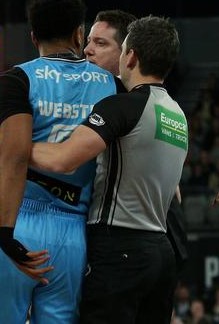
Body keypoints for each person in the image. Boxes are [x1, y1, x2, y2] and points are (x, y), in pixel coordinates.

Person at [0, 0, 115, 323]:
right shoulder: (112, 85)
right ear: (78, 34)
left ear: (33, 37)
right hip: (74, 231)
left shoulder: (17, 79)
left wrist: (5, 231)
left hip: (21, 220)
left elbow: (13, 157)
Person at [30, 16, 186, 323]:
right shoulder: (176, 113)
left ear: (130, 56)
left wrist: (13, 149)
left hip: (119, 247)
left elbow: (64, 159)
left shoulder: (122, 106)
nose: (88, 50)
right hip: (160, 249)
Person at [85, 9, 189, 274]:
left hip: (136, 238)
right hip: (152, 242)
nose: (87, 50)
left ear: (128, 53)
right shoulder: (161, 102)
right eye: (88, 41)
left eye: (100, 43)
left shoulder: (129, 101)